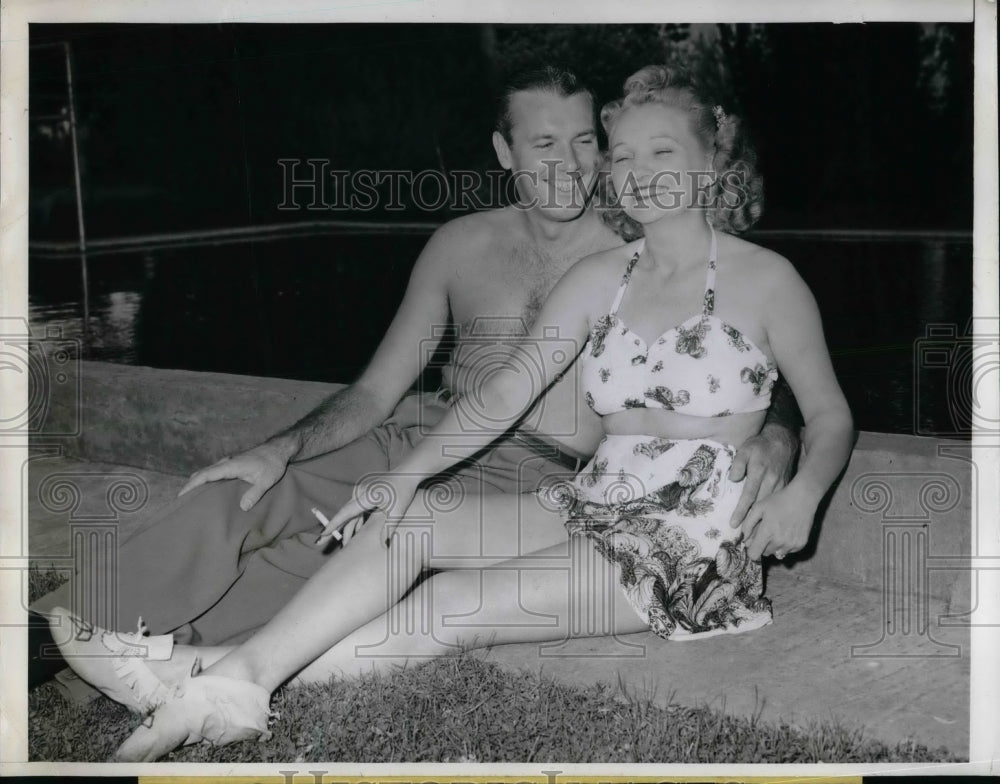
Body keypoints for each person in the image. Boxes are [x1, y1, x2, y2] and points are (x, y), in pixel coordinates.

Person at [52, 64, 853, 762]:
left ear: (714, 161)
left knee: (446, 607)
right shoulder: (603, 276)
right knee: (413, 520)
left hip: (693, 538)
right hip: (594, 502)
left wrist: (801, 490)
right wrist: (400, 479)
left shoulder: (769, 280)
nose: (637, 172)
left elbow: (830, 415)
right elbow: (504, 393)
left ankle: (216, 680)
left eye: (664, 152)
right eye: (628, 156)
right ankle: (198, 668)